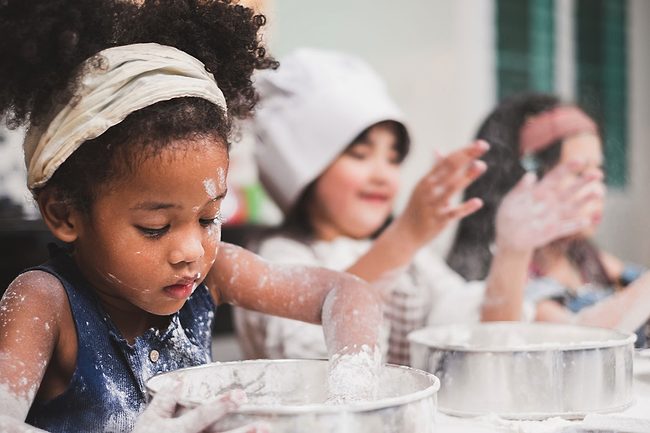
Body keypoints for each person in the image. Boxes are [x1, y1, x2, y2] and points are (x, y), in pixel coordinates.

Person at [0, 2, 384, 432]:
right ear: (65, 213)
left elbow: (347, 294)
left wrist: (351, 395)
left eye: (208, 218)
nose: (190, 252)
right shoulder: (44, 303)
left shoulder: (215, 272)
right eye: (155, 228)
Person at [235, 49, 603, 365]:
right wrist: (405, 236)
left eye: (393, 159)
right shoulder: (278, 257)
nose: (382, 174)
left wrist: (513, 250)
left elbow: (483, 339)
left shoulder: (416, 264)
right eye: (360, 154)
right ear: (305, 168)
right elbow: (310, 361)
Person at [448, 92, 650, 345]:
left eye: (599, 171)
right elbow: (579, 341)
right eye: (578, 173)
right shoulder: (506, 276)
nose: (597, 190)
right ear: (524, 183)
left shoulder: (584, 257)